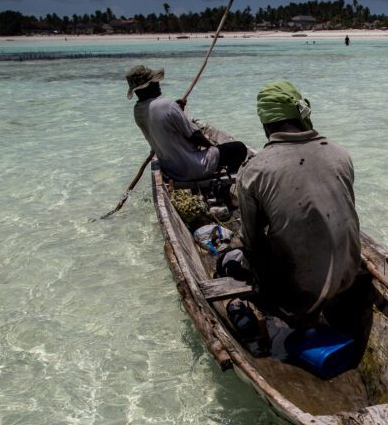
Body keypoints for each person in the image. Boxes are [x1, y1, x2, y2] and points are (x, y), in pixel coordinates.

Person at [235, 81, 370, 334]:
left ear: (265, 123)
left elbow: (251, 242)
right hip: (349, 276)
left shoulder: (254, 171)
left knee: (237, 259)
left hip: (298, 295)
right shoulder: (341, 153)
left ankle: (286, 314)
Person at [125, 65, 248, 186]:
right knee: (239, 148)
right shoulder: (167, 105)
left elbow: (162, 120)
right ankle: (225, 187)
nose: (158, 83)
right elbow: (195, 136)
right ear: (147, 86)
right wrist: (211, 147)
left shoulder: (137, 111)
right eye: (154, 82)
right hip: (195, 166)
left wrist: (177, 110)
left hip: (171, 171)